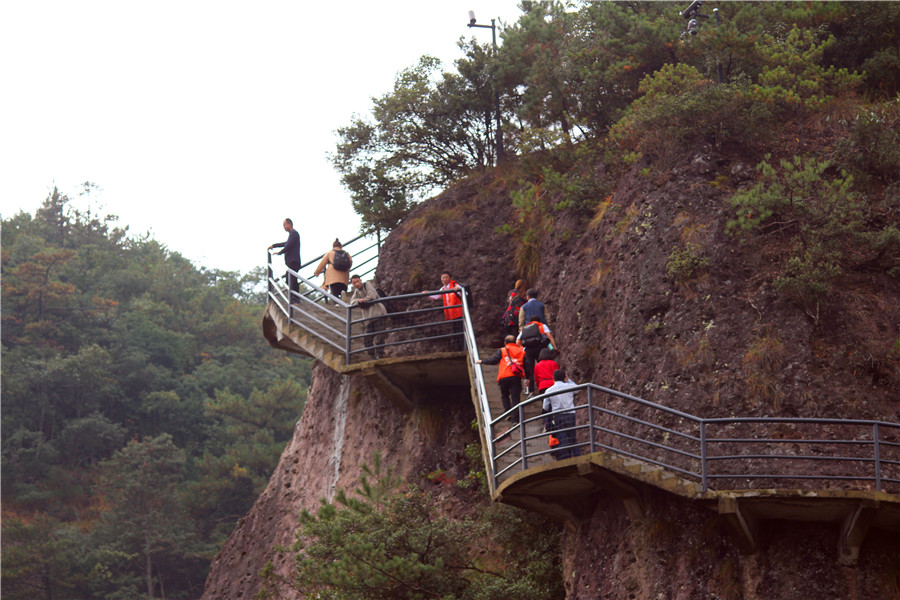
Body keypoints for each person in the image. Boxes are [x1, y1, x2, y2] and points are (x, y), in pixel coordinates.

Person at [476, 335, 526, 423]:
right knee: (515, 398)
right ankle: (515, 419)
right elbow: (527, 365)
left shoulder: (503, 350)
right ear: (514, 342)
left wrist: (482, 361)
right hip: (516, 376)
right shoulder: (521, 351)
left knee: (505, 395)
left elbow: (494, 360)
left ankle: (508, 412)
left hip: (504, 376)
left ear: (505, 343)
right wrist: (528, 377)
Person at [348, 274, 387, 359]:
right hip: (368, 318)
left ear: (360, 281)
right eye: (354, 283)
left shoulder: (367, 284)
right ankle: (372, 356)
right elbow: (352, 302)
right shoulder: (357, 292)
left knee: (380, 336)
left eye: (358, 281)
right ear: (352, 284)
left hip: (378, 314)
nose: (357, 284)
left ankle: (381, 355)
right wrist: (359, 301)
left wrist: (364, 300)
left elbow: (373, 295)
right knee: (367, 339)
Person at [543, 369, 578, 459]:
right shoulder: (570, 386)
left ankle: (565, 459)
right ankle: (577, 457)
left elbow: (545, 407)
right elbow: (577, 389)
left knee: (562, 439)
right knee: (573, 438)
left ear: (553, 379)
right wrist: (568, 379)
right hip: (570, 414)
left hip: (558, 415)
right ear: (565, 377)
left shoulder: (549, 390)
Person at [516, 318, 557, 395]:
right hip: (540, 349)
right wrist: (554, 348)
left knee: (531, 370)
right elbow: (549, 336)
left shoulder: (525, 328)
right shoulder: (542, 326)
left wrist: (524, 348)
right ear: (539, 320)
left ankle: (531, 391)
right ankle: (543, 387)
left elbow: (517, 341)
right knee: (542, 366)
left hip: (528, 351)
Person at [268, 218, 301, 301]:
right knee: (291, 279)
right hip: (292, 261)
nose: (283, 227)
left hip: (293, 261)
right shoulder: (292, 234)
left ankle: (295, 298)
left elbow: (288, 245)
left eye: (284, 225)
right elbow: (286, 243)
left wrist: (280, 252)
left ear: (289, 224)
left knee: (291, 280)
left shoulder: (294, 233)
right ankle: (294, 297)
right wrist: (274, 245)